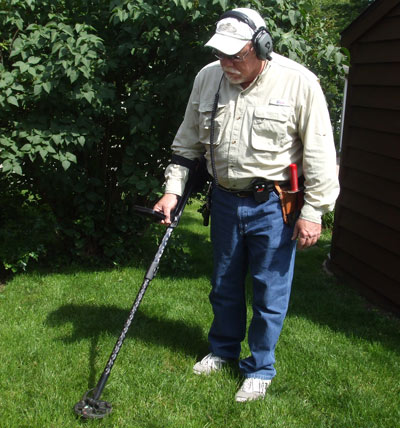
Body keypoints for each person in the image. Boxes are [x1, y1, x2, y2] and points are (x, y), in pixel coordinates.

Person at [153, 7, 339, 402]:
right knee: (223, 284)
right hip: (223, 200)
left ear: (261, 47)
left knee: (269, 290)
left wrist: (313, 212)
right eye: (221, 55)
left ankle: (259, 367)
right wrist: (172, 190)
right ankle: (222, 350)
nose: (227, 64)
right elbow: (187, 144)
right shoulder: (208, 78)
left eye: (236, 56)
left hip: (274, 203)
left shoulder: (299, 83)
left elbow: (321, 154)